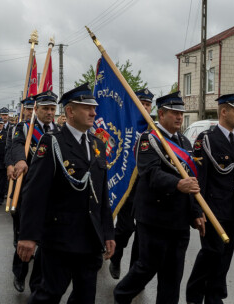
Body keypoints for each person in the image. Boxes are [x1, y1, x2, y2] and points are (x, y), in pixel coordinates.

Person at [16, 83, 115, 303]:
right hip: (60, 238)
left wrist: (108, 232)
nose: (93, 112)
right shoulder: (52, 142)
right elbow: (35, 193)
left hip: (90, 239)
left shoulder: (97, 144)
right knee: (48, 295)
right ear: (70, 111)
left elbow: (102, 195)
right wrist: (28, 235)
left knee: (85, 297)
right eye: (86, 108)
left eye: (94, 108)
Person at [114, 91, 205, 304]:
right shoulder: (148, 140)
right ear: (161, 114)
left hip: (179, 222)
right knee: (146, 268)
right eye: (174, 112)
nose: (179, 117)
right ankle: (121, 295)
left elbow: (191, 181)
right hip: (154, 219)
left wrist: (196, 212)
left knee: (173, 277)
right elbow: (150, 173)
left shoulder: (184, 142)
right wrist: (176, 183)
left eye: (181, 113)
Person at [186, 92, 234, 304]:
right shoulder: (206, 140)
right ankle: (194, 295)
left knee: (224, 257)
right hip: (212, 211)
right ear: (223, 111)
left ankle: (215, 297)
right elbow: (198, 179)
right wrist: (197, 212)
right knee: (211, 253)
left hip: (233, 211)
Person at [9, 91, 59, 293]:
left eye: (52, 109)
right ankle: (20, 274)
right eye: (45, 108)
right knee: (26, 233)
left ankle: (38, 282)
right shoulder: (24, 127)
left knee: (46, 239)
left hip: (52, 192)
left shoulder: (59, 130)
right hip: (29, 190)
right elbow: (17, 145)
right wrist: (20, 159)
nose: (49, 112)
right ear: (36, 109)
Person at [109, 88, 154, 280]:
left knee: (143, 236)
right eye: (141, 103)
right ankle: (116, 257)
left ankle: (134, 273)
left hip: (147, 188)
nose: (144, 107)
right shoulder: (125, 124)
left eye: (147, 104)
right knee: (126, 228)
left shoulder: (154, 130)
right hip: (127, 186)